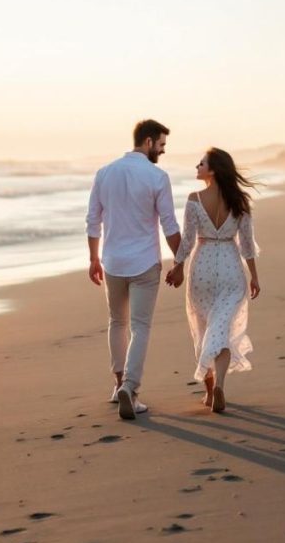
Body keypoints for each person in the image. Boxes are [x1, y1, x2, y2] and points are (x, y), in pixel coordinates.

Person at [86, 119, 181, 420]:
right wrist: (180, 261)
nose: (162, 152)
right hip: (144, 263)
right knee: (140, 327)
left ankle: (118, 386)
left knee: (117, 322)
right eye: (162, 145)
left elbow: (92, 220)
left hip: (112, 261)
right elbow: (169, 224)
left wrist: (93, 258)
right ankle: (131, 388)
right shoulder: (157, 177)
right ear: (149, 142)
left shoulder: (105, 173)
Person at [165, 148, 260, 413]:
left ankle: (209, 393)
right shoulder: (240, 201)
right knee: (224, 332)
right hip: (231, 267)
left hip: (202, 267)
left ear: (214, 169)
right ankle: (219, 385)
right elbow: (247, 245)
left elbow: (186, 241)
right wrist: (254, 277)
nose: (197, 166)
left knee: (204, 327)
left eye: (202, 163)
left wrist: (177, 267)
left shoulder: (195, 199)